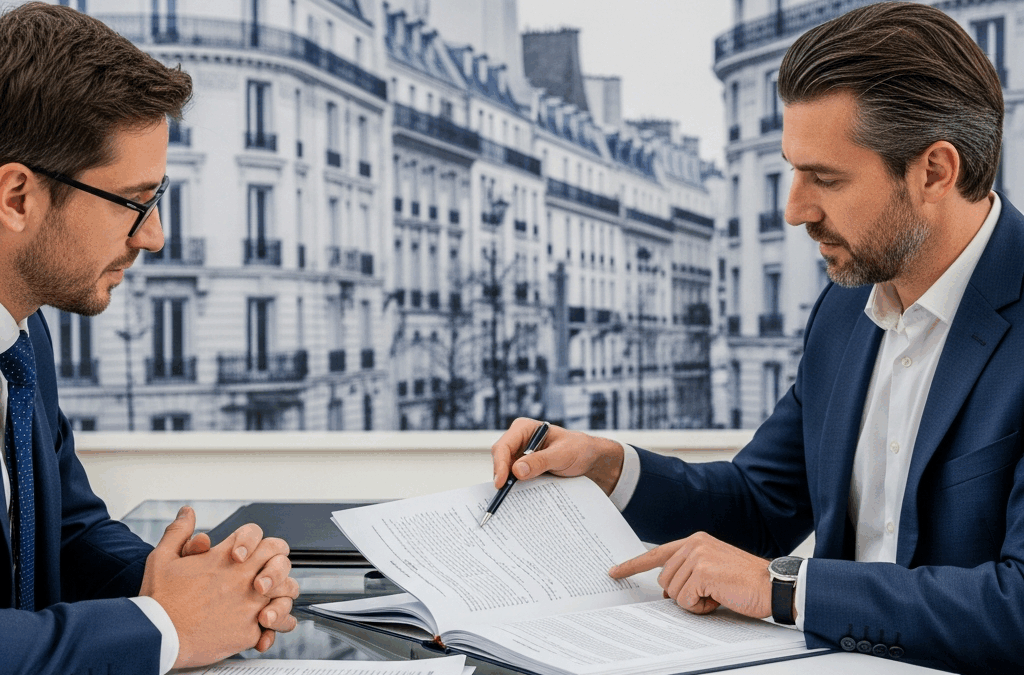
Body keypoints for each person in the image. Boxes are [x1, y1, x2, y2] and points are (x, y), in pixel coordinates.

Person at [493, 3, 1021, 673]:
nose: (794, 209)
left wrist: (783, 588)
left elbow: (1017, 606)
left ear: (935, 172)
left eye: (825, 178)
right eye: (792, 170)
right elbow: (761, 504)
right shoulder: (844, 309)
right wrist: (609, 465)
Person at [0, 4, 299, 673]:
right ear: (17, 197)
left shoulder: (23, 336)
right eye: (134, 202)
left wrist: (195, 587)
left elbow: (66, 531)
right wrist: (165, 627)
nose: (154, 236)